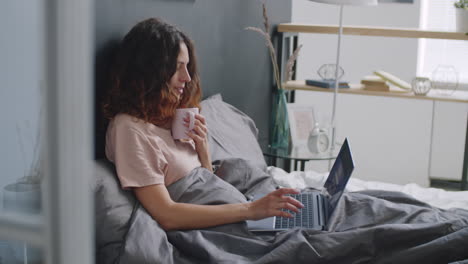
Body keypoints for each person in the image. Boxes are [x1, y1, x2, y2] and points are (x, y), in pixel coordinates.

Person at [103, 17, 303, 231]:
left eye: (187, 66)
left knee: (325, 213)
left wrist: (203, 152)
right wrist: (252, 210)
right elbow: (167, 214)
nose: (187, 77)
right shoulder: (128, 129)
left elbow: (208, 186)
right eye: (177, 67)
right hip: (219, 226)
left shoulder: (170, 118)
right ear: (149, 71)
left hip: (237, 210)